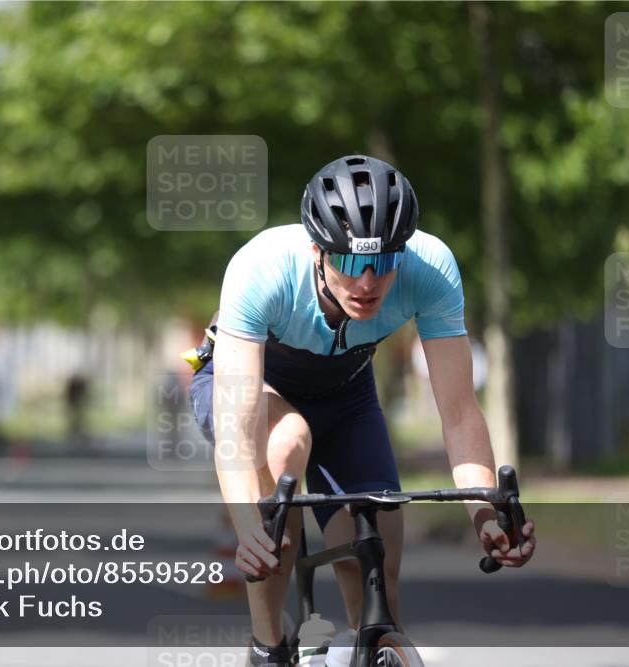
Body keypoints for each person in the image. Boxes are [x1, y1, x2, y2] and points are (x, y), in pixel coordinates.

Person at [188, 155, 537, 666]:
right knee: (288, 440)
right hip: (249, 388)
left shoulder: (431, 268)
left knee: (374, 564)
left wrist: (484, 512)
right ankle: (269, 644)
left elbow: (460, 413)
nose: (368, 282)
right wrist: (246, 528)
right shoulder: (260, 267)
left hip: (347, 395)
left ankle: (370, 647)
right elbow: (239, 434)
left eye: (385, 261)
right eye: (350, 263)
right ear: (316, 249)